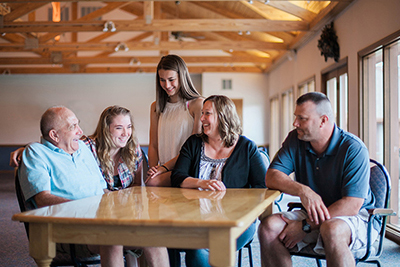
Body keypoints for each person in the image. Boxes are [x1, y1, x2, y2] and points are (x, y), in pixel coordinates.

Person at [18, 106, 169, 267]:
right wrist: (88, 209)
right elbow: (42, 199)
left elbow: (103, 191)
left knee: (153, 234)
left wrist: (124, 210)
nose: (80, 131)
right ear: (54, 135)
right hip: (67, 229)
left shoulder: (82, 149)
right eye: (73, 127)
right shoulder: (36, 153)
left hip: (101, 221)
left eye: (78, 125)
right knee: (111, 237)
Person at [258, 92, 376, 267]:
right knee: (268, 228)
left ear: (323, 121)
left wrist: (305, 226)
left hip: (355, 217)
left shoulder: (353, 148)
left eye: (302, 118)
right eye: (295, 117)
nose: (295, 123)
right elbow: (272, 176)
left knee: (332, 229)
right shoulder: (295, 139)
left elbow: (352, 205)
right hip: (313, 212)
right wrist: (304, 191)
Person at [170, 95, 267, 267]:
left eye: (207, 114)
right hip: (195, 219)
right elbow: (177, 176)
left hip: (236, 221)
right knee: (186, 244)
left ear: (223, 116)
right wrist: (201, 183)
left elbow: (262, 187)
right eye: (202, 113)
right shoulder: (193, 143)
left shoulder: (246, 147)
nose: (201, 119)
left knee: (204, 247)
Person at [147, 54, 204, 186]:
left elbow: (192, 149)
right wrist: (153, 170)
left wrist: (164, 168)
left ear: (181, 77)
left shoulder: (197, 104)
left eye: (171, 79)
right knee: (152, 181)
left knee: (153, 183)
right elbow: (154, 145)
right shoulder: (156, 107)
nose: (167, 85)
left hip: (186, 168)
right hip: (163, 168)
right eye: (162, 80)